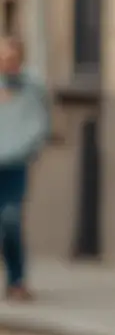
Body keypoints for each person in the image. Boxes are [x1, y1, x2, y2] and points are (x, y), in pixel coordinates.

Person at [0, 35, 49, 303]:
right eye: (2, 58)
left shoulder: (31, 87)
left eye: (11, 58)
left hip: (15, 165)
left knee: (11, 220)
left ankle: (16, 280)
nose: (7, 64)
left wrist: (30, 147)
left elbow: (41, 122)